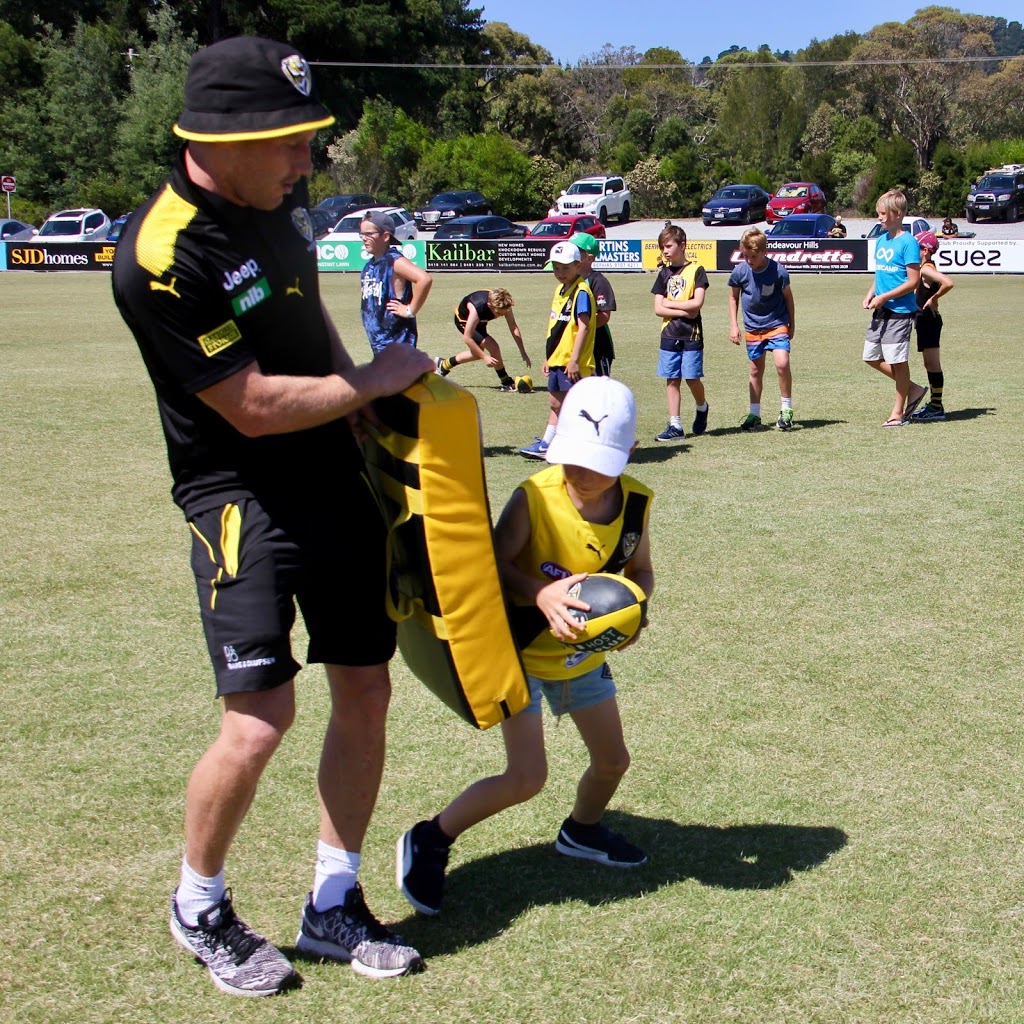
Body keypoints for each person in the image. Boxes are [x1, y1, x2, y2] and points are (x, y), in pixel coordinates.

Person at [111, 37, 436, 997]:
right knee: (258, 723)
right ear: (224, 138)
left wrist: (362, 399)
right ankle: (199, 903)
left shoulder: (276, 202)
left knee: (365, 693)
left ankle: (334, 902)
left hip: (333, 475)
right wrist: (372, 375)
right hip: (240, 495)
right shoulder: (160, 257)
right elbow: (247, 403)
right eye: (292, 144)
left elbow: (310, 316)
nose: (308, 163)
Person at [396, 375, 655, 916]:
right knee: (525, 777)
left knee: (612, 762)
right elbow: (492, 565)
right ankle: (430, 837)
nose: (581, 473)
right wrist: (541, 594)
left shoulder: (636, 504)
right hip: (523, 656)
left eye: (598, 463)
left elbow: (642, 572)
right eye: (573, 459)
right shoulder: (535, 495)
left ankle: (582, 832)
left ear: (629, 453)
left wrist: (635, 611)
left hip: (584, 660)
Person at [519, 241, 596, 459]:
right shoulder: (560, 290)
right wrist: (549, 357)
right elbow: (556, 327)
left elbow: (583, 327)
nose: (560, 273)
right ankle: (547, 444)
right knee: (555, 402)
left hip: (571, 362)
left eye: (566, 267)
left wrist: (574, 360)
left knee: (574, 405)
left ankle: (584, 445)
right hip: (557, 358)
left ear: (578, 266)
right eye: (556, 268)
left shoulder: (581, 292)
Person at [862, 189, 927, 428]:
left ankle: (898, 413)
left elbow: (913, 282)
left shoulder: (909, 242)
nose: (879, 218)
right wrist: (871, 293)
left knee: (898, 362)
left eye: (882, 213)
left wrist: (884, 297)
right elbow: (881, 273)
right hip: (881, 310)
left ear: (897, 214)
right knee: (870, 356)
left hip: (900, 312)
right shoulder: (881, 240)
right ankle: (913, 388)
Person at [728, 227, 796, 431]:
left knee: (782, 364)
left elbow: (788, 299)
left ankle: (786, 410)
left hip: (777, 323)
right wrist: (734, 324)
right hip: (753, 328)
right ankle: (754, 414)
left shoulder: (778, 271)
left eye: (753, 256)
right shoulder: (740, 271)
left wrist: (791, 323)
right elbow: (733, 297)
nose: (749, 260)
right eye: (745, 256)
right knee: (755, 369)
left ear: (764, 251)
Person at [651, 224, 710, 442]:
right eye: (662, 247)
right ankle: (675, 424)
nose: (664, 251)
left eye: (668, 246)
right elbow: (658, 309)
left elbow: (698, 304)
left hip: (691, 335)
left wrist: (671, 303)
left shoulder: (697, 270)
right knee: (672, 378)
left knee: (692, 378)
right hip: (669, 333)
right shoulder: (663, 274)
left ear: (682, 245)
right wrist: (684, 308)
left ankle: (702, 407)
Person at [359, 210, 432, 355]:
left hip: (397, 346)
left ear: (385, 236)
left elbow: (424, 279)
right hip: (379, 346)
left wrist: (409, 310)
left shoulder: (394, 260)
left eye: (369, 234)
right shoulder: (369, 266)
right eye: (362, 234)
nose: (364, 238)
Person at [435, 287, 531, 390]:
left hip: (481, 321)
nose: (503, 315)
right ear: (490, 305)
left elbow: (513, 327)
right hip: (464, 320)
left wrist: (523, 351)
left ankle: (444, 364)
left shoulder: (505, 303)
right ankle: (506, 381)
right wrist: (485, 357)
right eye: (499, 313)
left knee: (477, 354)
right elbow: (467, 338)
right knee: (493, 347)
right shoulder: (477, 308)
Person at [909, 230, 954, 422]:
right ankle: (935, 405)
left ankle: (936, 406)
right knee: (930, 363)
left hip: (929, 321)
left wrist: (935, 298)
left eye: (916, 248)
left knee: (933, 364)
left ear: (925, 250)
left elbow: (948, 282)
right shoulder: (922, 268)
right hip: (925, 321)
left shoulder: (926, 269)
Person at [569, 231, 617, 376]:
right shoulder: (569, 281)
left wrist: (582, 329)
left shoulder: (598, 281)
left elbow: (603, 315)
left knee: (599, 388)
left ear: (590, 258)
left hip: (598, 344)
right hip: (575, 343)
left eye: (576, 251)